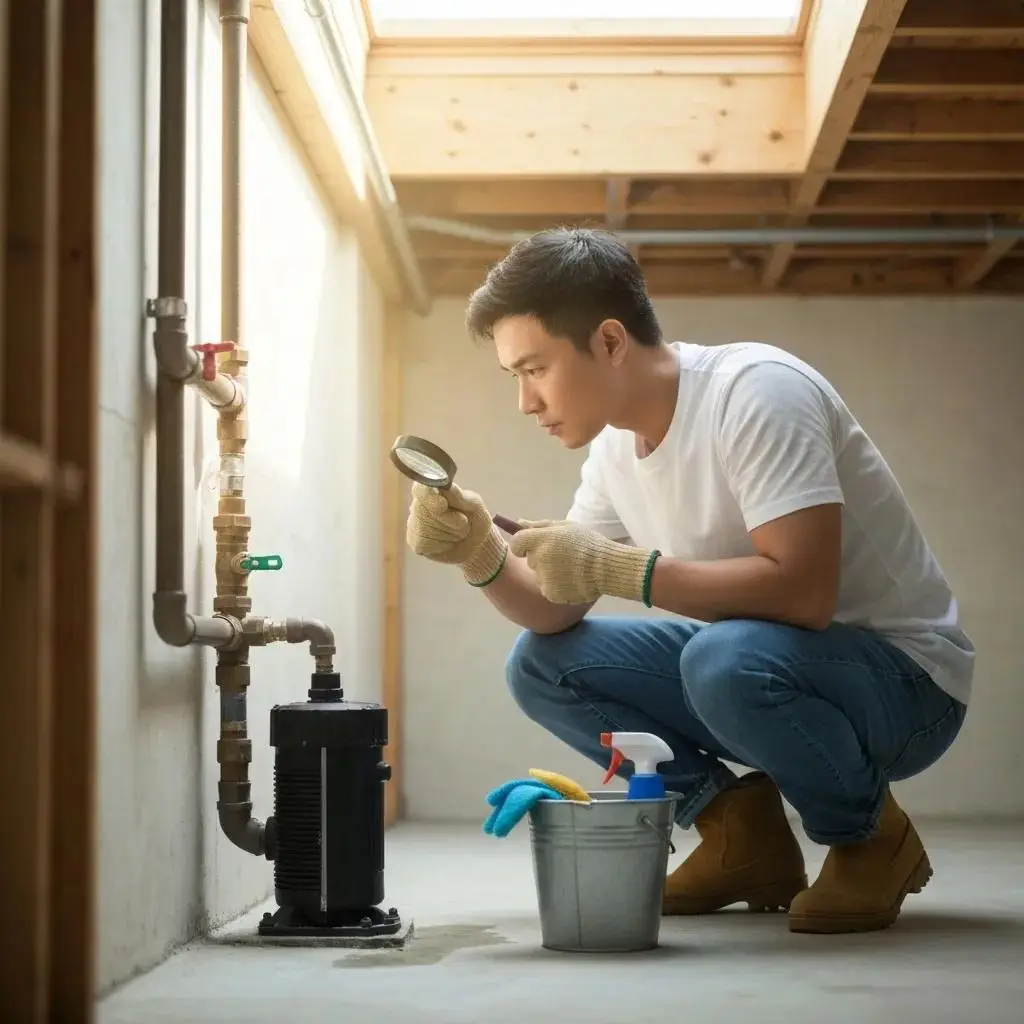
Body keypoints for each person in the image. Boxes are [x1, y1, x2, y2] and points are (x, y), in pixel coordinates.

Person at [404, 227, 973, 935]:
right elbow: (555, 612)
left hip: (908, 685)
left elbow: (803, 592)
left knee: (722, 658)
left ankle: (867, 837)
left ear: (610, 341)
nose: (524, 401)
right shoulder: (614, 446)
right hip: (766, 670)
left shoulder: (757, 392)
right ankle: (741, 836)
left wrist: (621, 570)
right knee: (543, 666)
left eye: (535, 369)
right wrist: (479, 554)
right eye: (513, 376)